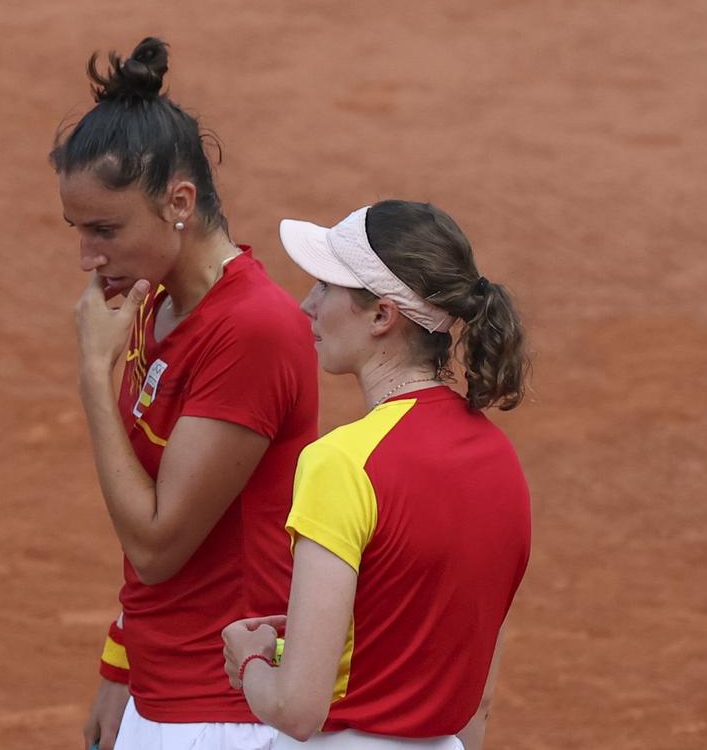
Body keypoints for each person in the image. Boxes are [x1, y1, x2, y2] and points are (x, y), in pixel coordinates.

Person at [60, 39, 318, 750]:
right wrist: (122, 662)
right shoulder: (154, 304)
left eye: (105, 231)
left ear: (179, 201)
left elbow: (156, 545)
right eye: (78, 232)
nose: (88, 260)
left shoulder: (252, 332)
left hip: (224, 711)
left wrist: (92, 376)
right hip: (164, 688)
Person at [221, 201, 532, 750]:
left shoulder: (340, 463)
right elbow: (477, 704)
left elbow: (296, 708)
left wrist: (249, 662)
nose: (307, 304)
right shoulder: (500, 459)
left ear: (382, 315)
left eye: (325, 286)